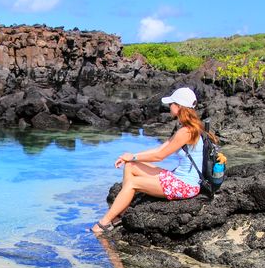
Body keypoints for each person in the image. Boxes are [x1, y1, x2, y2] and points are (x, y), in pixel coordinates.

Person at [91, 87, 216, 235]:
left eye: (171, 104)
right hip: (178, 178)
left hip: (186, 185)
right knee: (130, 166)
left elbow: (160, 156)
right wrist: (132, 157)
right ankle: (120, 214)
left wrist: (134, 156)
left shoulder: (186, 132)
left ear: (179, 107)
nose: (169, 107)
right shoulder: (189, 128)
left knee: (132, 184)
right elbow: (159, 149)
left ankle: (104, 223)